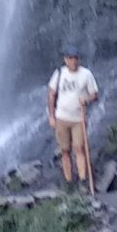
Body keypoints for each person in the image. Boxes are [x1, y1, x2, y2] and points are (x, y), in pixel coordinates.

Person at [45, 48, 101, 193]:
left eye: (75, 58)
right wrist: (51, 116)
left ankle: (83, 180)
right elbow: (51, 94)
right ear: (65, 59)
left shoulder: (86, 74)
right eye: (70, 58)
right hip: (61, 118)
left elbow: (95, 94)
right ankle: (69, 182)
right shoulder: (59, 73)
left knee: (79, 149)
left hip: (78, 119)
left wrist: (87, 99)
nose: (73, 61)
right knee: (65, 150)